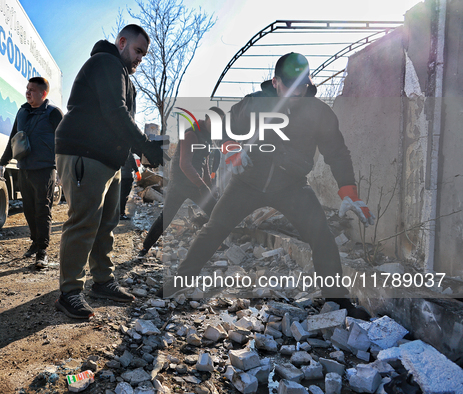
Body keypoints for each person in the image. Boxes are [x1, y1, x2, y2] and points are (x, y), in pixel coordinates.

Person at [162, 53, 375, 317]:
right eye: (290, 86)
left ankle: (338, 302)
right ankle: (181, 280)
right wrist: (231, 147)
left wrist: (348, 190)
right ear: (275, 82)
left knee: (322, 237)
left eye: (302, 85)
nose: (297, 92)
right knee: (214, 228)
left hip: (292, 187)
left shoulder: (319, 113)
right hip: (247, 183)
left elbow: (338, 153)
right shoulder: (252, 105)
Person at [54, 24, 163, 319]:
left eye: (144, 54)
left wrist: (136, 151)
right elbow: (115, 112)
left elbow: (120, 118)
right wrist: (143, 146)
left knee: (106, 223)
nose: (140, 57)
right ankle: (69, 293)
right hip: (83, 152)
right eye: (138, 50)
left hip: (107, 159)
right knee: (84, 221)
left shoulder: (123, 74)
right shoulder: (106, 62)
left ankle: (102, 281)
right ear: (122, 42)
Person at [0, 77, 63, 268]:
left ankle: (42, 251)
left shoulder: (53, 113)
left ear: (43, 93)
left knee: (43, 210)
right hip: (24, 168)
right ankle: (35, 242)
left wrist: (62, 168)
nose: (28, 92)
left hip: (45, 169)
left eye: (32, 90)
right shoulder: (22, 112)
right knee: (29, 209)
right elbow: (13, 138)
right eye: (27, 89)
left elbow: (64, 141)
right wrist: (3, 162)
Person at [138, 112, 220, 257]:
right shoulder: (190, 135)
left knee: (214, 211)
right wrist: (202, 186)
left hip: (196, 183)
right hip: (180, 184)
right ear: (206, 118)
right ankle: (145, 247)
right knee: (166, 217)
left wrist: (209, 185)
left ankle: (216, 244)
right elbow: (185, 164)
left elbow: (205, 164)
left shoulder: (207, 137)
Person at [119, 154, 138, 220]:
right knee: (124, 196)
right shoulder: (129, 153)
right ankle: (121, 213)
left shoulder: (119, 151)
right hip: (127, 176)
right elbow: (133, 164)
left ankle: (117, 213)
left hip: (120, 175)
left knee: (120, 195)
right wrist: (137, 172)